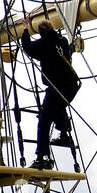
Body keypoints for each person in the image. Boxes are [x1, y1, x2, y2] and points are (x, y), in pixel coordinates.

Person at [19, 19, 80, 170]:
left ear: (40, 33)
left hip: (56, 88)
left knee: (44, 120)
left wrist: (25, 30)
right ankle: (64, 134)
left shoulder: (41, 45)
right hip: (71, 86)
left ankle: (42, 157)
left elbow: (27, 47)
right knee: (58, 107)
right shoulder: (63, 41)